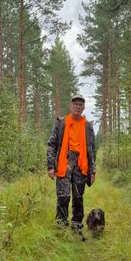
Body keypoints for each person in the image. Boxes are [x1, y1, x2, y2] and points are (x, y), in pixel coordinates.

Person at [47, 95, 96, 231]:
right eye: (76, 104)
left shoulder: (87, 126)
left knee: (78, 197)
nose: (78, 106)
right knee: (63, 197)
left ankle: (76, 224)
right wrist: (50, 166)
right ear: (70, 106)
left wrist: (92, 171)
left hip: (81, 165)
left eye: (81, 105)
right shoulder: (61, 123)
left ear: (83, 108)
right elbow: (52, 144)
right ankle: (61, 225)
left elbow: (92, 150)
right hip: (64, 162)